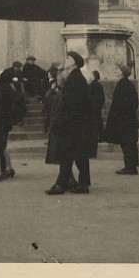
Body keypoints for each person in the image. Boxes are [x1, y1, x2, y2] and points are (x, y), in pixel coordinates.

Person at [45, 51, 98, 195]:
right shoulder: (75, 77)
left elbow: (70, 104)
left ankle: (61, 185)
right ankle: (82, 184)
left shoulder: (75, 79)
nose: (66, 60)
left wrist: (61, 122)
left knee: (67, 155)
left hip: (73, 125)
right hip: (77, 124)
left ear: (73, 63)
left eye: (68, 58)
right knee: (79, 155)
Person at [104, 63, 139, 175]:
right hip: (129, 119)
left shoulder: (122, 85)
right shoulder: (128, 85)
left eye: (117, 69)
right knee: (130, 143)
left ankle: (130, 167)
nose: (115, 71)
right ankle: (132, 166)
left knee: (126, 143)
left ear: (121, 73)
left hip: (124, 120)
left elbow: (120, 104)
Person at [88, 70, 106, 142]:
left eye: (91, 75)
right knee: (99, 121)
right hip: (98, 107)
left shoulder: (90, 86)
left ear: (93, 76)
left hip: (92, 107)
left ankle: (94, 137)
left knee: (93, 123)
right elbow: (102, 98)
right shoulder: (100, 86)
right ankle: (102, 136)